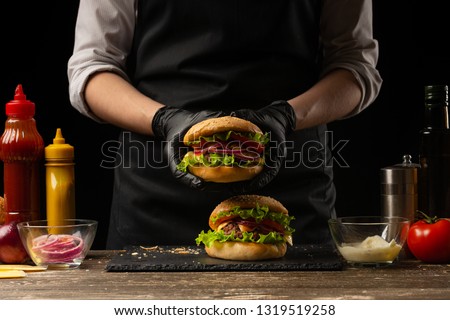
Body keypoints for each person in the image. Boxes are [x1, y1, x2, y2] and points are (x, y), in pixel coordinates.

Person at [68, 0, 382, 249]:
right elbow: (92, 68)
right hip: (155, 193)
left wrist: (287, 116)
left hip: (291, 185)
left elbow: (354, 66)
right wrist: (163, 120)